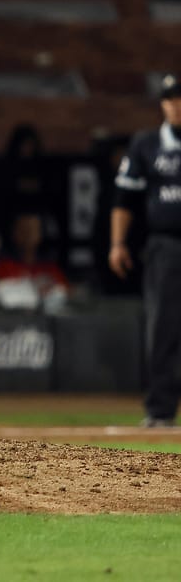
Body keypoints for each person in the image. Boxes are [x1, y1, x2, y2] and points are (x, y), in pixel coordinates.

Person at [110, 73, 181, 428]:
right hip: (165, 245)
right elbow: (124, 198)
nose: (176, 103)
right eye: (171, 98)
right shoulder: (146, 143)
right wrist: (118, 243)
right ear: (163, 103)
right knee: (163, 327)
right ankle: (160, 411)